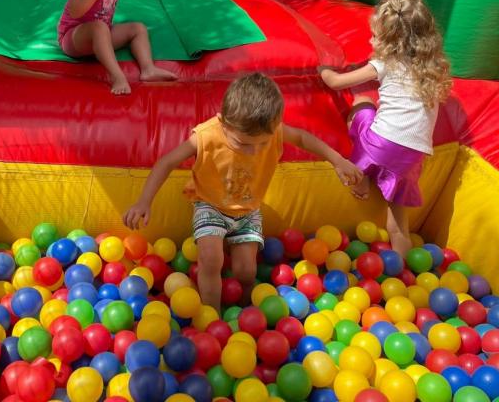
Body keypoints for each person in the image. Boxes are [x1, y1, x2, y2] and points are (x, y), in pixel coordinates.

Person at [122, 73, 362, 313]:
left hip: (248, 210)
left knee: (246, 271)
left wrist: (338, 160)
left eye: (263, 143)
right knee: (210, 259)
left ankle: (246, 308)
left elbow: (302, 137)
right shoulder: (207, 136)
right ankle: (211, 315)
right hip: (210, 205)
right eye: (244, 144)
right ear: (223, 123)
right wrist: (144, 202)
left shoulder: (273, 131)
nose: (254, 150)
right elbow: (166, 162)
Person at [319, 0, 452, 256]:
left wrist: (322, 67)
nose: (371, 39)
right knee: (398, 222)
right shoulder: (433, 70)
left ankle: (360, 177)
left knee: (362, 106)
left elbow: (335, 83)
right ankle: (398, 270)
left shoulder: (385, 63)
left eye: (375, 36)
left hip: (381, 145)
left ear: (390, 43)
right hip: (414, 156)